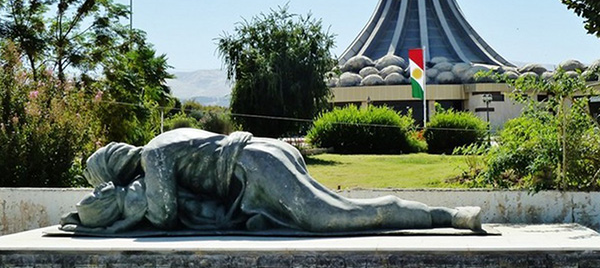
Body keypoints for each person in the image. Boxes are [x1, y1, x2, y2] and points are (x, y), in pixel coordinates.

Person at [62, 128, 481, 233]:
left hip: (254, 165)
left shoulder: (153, 156)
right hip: (260, 156)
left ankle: (448, 216)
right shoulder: (160, 142)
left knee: (327, 218)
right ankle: (448, 215)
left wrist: (110, 223)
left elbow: (164, 215)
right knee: (330, 213)